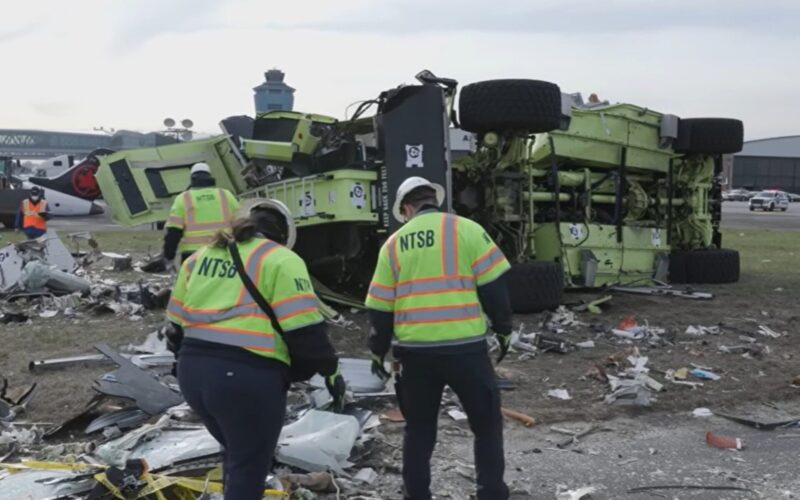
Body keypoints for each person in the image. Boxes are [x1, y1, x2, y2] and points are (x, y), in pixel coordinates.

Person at [166, 199, 346, 499]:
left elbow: (174, 329)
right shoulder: (281, 260)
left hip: (192, 375)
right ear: (284, 234)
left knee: (235, 455)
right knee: (248, 466)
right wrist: (330, 371)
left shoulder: (197, 259)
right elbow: (306, 333)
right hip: (246, 379)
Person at [365, 176, 514, 500]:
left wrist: (378, 352)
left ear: (406, 208)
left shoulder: (393, 244)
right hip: (466, 352)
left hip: (414, 355)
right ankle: (490, 492)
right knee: (486, 426)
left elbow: (380, 309)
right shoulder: (468, 230)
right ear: (435, 201)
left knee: (418, 431)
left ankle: (416, 495)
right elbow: (495, 290)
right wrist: (504, 331)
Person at [164, 162, 240, 263]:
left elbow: (174, 231)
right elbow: (240, 222)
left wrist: (168, 256)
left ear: (192, 179)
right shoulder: (226, 195)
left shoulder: (183, 198)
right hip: (223, 250)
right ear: (210, 176)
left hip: (192, 255)